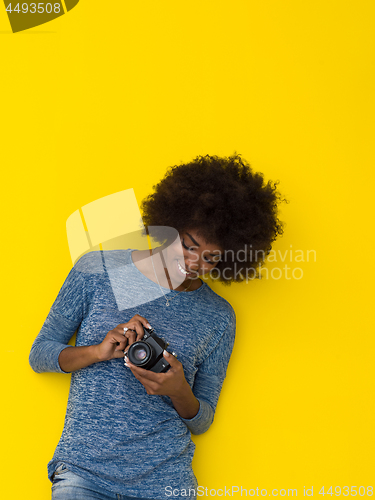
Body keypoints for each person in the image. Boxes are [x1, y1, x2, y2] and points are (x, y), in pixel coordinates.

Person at [29, 154, 285, 500]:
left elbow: (202, 418)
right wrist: (98, 351)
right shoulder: (98, 269)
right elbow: (40, 354)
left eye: (209, 258)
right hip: (84, 473)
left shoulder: (218, 316)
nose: (193, 263)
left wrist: (178, 389)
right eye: (188, 246)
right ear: (169, 228)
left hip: (166, 482)